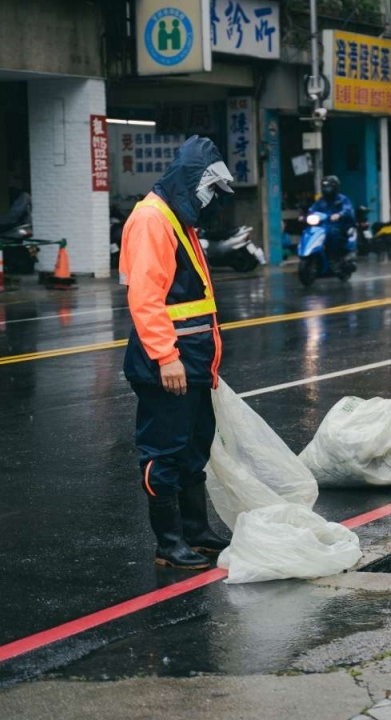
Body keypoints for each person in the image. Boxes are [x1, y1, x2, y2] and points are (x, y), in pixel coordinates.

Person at [120, 136, 235, 570]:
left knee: (192, 448)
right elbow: (146, 297)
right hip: (168, 360)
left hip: (194, 359)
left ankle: (195, 531)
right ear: (190, 181)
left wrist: (205, 363)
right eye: (206, 190)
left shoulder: (176, 217)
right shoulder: (153, 219)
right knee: (163, 452)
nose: (208, 200)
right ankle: (168, 543)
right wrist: (166, 356)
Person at [309, 175, 356, 263]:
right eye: (325, 187)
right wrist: (305, 216)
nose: (327, 189)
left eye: (329, 187)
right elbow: (313, 209)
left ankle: (335, 257)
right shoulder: (321, 200)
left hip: (339, 225)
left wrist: (339, 214)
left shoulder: (342, 199)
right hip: (324, 226)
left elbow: (347, 209)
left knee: (333, 234)